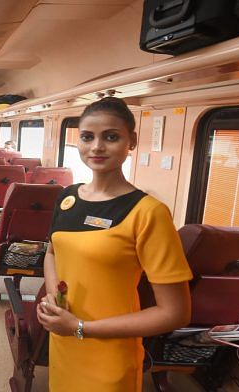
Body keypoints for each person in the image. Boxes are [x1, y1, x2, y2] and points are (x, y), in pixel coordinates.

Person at [36, 97, 192, 391]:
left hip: (108, 352)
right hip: (64, 339)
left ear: (131, 141)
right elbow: (52, 251)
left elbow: (175, 313)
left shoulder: (149, 213)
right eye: (87, 137)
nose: (96, 147)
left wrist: (81, 328)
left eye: (110, 137)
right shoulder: (67, 197)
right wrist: (53, 298)